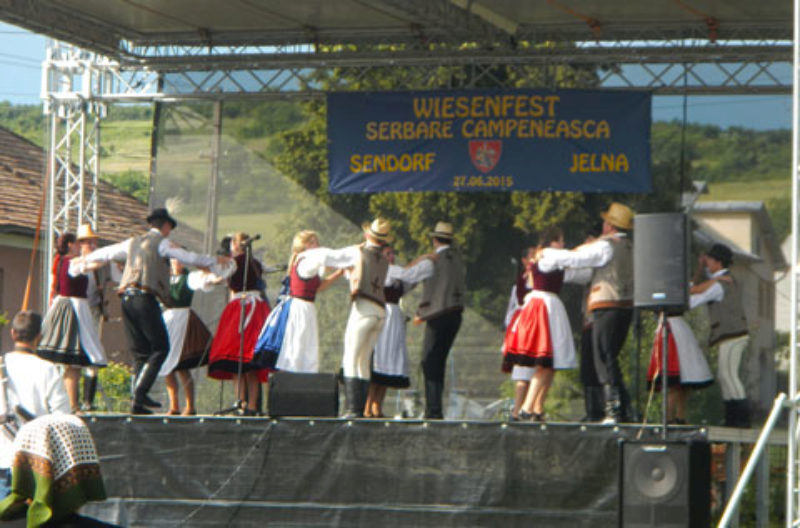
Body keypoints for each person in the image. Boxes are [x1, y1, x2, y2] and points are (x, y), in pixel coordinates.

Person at [84, 208, 227, 414]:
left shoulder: (132, 242)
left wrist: (83, 260)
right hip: (144, 298)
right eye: (170, 227)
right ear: (166, 226)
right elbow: (188, 257)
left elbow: (106, 253)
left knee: (140, 352)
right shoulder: (162, 243)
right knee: (160, 348)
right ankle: (140, 393)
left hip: (126, 298)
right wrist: (214, 261)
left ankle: (138, 402)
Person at [287, 218, 393, 418]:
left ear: (368, 235)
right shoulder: (383, 258)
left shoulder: (358, 252)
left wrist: (305, 253)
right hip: (380, 311)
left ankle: (353, 409)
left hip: (363, 308)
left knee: (352, 357)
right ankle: (360, 409)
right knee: (363, 360)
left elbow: (331, 256)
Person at [539, 203, 635, 423]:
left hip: (607, 304)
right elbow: (582, 267)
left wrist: (548, 254)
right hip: (625, 305)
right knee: (609, 356)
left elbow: (578, 259)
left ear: (609, 225)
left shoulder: (606, 246)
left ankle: (613, 410)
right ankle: (619, 409)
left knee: (603, 355)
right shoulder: (628, 246)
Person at [503, 227, 578, 421]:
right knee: (536, 366)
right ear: (550, 242)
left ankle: (535, 408)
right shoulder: (546, 258)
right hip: (536, 315)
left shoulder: (549, 263)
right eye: (559, 240)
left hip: (540, 313)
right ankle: (524, 409)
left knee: (547, 364)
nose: (562, 245)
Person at [0, 311, 70, 499]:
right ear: (40, 336)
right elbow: (62, 418)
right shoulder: (48, 369)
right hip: (34, 462)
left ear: (13, 333)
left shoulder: (1, 365)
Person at [254, 230, 344, 374]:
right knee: (296, 347)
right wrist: (344, 261)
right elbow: (326, 260)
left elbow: (317, 287)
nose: (317, 245)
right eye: (312, 242)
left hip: (307, 307)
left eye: (316, 242)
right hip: (299, 308)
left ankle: (301, 380)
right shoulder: (306, 261)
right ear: (304, 246)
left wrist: (338, 273)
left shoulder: (308, 263)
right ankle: (291, 380)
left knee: (306, 347)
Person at [36, 232, 107, 413]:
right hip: (73, 309)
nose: (79, 246)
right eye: (78, 243)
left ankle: (73, 404)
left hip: (70, 306)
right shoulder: (72, 262)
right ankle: (73, 405)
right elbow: (94, 264)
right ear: (70, 245)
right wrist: (109, 255)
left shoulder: (62, 261)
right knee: (73, 360)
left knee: (73, 362)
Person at [407, 221, 466, 420]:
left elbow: (410, 278)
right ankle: (435, 408)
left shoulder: (431, 262)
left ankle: (433, 409)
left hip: (438, 315)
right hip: (456, 314)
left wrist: (420, 311)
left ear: (434, 240)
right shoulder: (458, 260)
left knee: (430, 361)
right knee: (439, 360)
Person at [207, 232, 271, 415]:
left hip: (242, 308)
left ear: (235, 244)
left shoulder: (234, 263)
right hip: (256, 308)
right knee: (249, 363)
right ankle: (250, 405)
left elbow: (219, 275)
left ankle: (241, 402)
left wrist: (207, 276)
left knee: (238, 358)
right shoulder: (255, 263)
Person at [689, 243, 751, 427]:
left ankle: (740, 416)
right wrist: (701, 269)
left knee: (729, 374)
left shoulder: (719, 284)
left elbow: (695, 296)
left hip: (732, 334)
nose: (707, 263)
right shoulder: (720, 280)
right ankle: (733, 415)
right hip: (730, 334)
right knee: (725, 375)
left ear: (717, 262)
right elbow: (701, 286)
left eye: (709, 260)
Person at [364, 245, 416, 418]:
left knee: (389, 360)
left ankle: (377, 406)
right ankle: (368, 405)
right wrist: (422, 260)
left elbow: (409, 283)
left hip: (394, 318)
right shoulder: (385, 271)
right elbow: (408, 273)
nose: (392, 256)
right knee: (378, 360)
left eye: (393, 253)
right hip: (383, 315)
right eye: (388, 254)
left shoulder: (396, 274)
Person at [158, 259, 213, 415]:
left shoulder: (189, 278)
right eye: (175, 260)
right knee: (167, 365)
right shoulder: (165, 278)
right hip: (168, 319)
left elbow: (206, 280)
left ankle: (190, 405)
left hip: (183, 320)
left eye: (181, 260)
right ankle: (174, 405)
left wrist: (211, 275)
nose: (178, 263)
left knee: (182, 365)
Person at [646, 314, 713, 424]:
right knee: (673, 382)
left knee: (684, 380)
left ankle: (680, 416)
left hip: (680, 329)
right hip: (669, 330)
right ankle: (668, 419)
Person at [76, 223, 109, 412]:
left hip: (94, 310)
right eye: (89, 242)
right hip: (80, 310)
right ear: (81, 244)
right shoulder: (76, 263)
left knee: (93, 356)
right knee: (76, 354)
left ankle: (88, 401)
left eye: (94, 242)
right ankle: (75, 399)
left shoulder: (100, 265)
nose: (93, 245)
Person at [502, 246, 536, 421]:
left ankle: (533, 410)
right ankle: (517, 411)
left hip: (535, 326)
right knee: (523, 372)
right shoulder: (522, 283)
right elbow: (513, 309)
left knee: (537, 372)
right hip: (525, 328)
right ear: (524, 261)